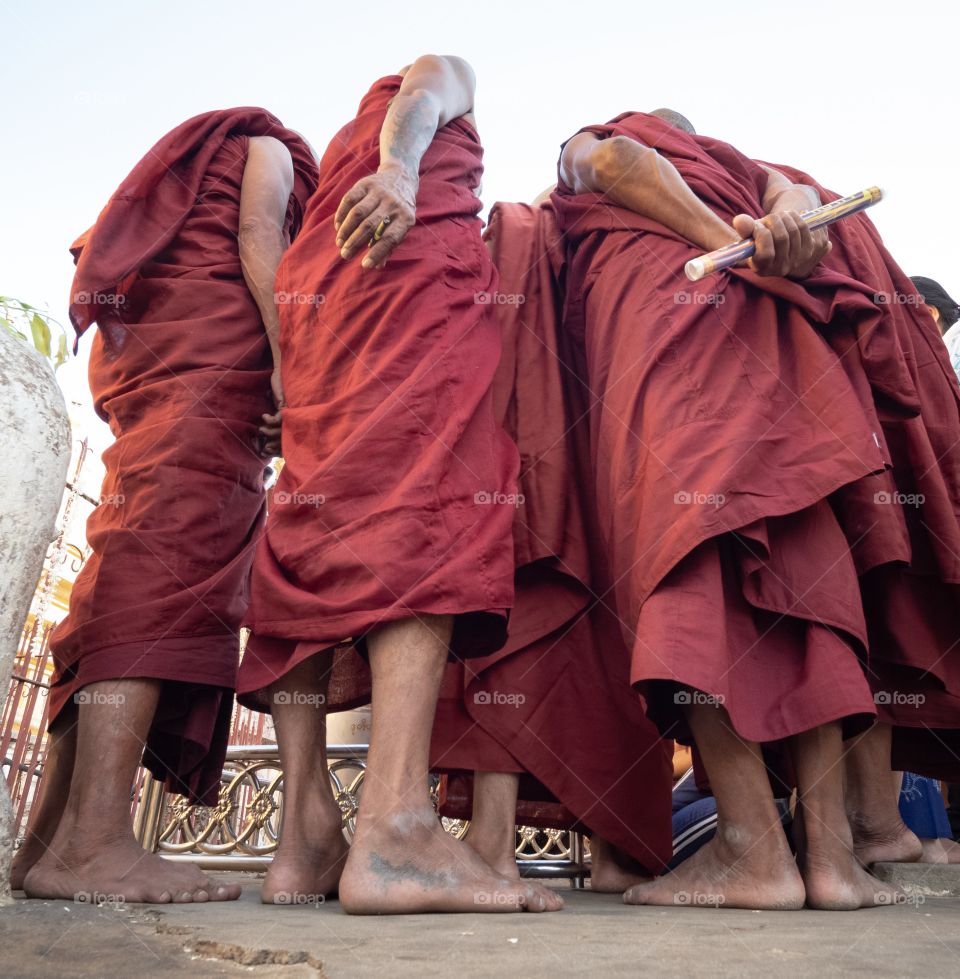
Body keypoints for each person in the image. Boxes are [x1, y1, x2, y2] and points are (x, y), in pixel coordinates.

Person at [551, 107, 960, 910]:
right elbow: (799, 198)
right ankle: (833, 861)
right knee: (806, 567)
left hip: (675, 338)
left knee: (690, 552)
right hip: (776, 347)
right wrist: (780, 239)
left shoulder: (604, 141)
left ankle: (752, 850)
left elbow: (612, 163)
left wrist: (727, 245)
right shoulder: (746, 170)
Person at [236, 56, 561, 914]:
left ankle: (303, 838)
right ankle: (396, 830)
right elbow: (424, 98)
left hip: (323, 315)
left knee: (311, 534)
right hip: (409, 281)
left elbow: (261, 240)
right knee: (428, 505)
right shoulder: (430, 82)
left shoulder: (323, 179)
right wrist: (400, 170)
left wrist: (281, 356)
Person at [16, 109, 318, 903]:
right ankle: (97, 844)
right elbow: (259, 234)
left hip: (158, 368)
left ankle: (51, 842)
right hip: (209, 376)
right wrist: (292, 367)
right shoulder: (267, 149)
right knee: (166, 568)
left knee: (125, 564)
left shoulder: (200, 167)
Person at [430, 197, 674, 894]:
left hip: (580, 461)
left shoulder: (537, 229)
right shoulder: (550, 231)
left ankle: (503, 844)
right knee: (577, 643)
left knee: (562, 641)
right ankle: (592, 849)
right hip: (599, 463)